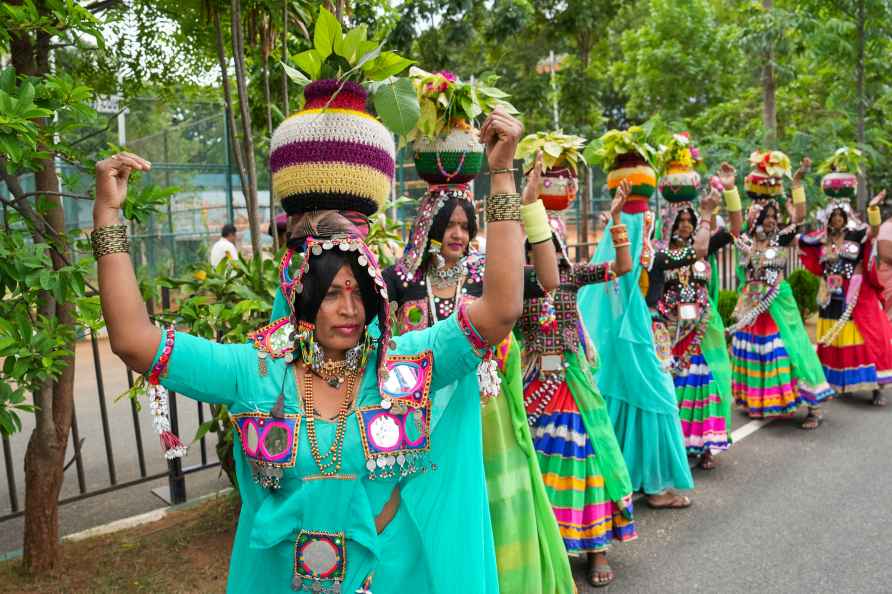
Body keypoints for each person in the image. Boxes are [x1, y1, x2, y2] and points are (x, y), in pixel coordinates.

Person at [92, 95, 527, 593]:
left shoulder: (403, 367)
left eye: (358, 294)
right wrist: (107, 215)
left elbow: (500, 312)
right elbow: (133, 341)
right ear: (303, 301)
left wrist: (502, 176)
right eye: (331, 294)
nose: (348, 309)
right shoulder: (255, 371)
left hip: (392, 575)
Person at [382, 153, 575, 594]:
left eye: (466, 226)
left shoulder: (484, 279)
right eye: (449, 224)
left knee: (496, 509)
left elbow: (548, 279)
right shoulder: (402, 280)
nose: (457, 233)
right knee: (436, 519)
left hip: (489, 418)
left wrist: (531, 208)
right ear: (427, 225)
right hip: (423, 424)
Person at [518, 179, 636, 588]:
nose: (547, 247)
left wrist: (617, 220)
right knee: (539, 464)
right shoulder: (516, 284)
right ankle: (547, 544)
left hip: (572, 384)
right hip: (533, 384)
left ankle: (596, 548)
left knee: (584, 457)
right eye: (539, 241)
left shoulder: (569, 276)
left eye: (552, 240)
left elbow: (622, 267)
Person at [579, 133, 695, 510]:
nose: (648, 224)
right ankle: (656, 487)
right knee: (657, 400)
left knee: (632, 399)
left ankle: (624, 479)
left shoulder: (644, 245)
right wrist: (618, 218)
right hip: (639, 337)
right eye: (643, 220)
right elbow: (626, 271)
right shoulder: (638, 247)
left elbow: (692, 254)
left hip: (635, 335)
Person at [726, 156, 834, 429]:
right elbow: (734, 225)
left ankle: (814, 407)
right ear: (756, 219)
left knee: (789, 349)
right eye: (767, 217)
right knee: (752, 350)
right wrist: (731, 191)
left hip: (778, 302)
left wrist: (796, 182)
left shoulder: (780, 238)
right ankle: (759, 401)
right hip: (752, 303)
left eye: (775, 217)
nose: (773, 221)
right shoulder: (745, 241)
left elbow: (798, 216)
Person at [649, 169, 742, 470]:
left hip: (703, 328)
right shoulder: (661, 253)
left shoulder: (705, 247)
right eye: (681, 220)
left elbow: (736, 228)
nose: (686, 224)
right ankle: (677, 444)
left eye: (690, 220)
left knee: (706, 382)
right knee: (676, 385)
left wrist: (730, 191)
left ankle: (705, 445)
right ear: (670, 224)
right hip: (672, 329)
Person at [798, 153, 891, 406]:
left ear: (846, 216)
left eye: (840, 215)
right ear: (827, 218)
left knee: (866, 337)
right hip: (831, 296)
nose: (837, 218)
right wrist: (797, 191)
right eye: (833, 215)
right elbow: (800, 242)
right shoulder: (821, 240)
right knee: (835, 339)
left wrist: (873, 210)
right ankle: (840, 382)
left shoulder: (857, 234)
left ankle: (876, 386)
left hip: (857, 294)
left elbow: (872, 233)